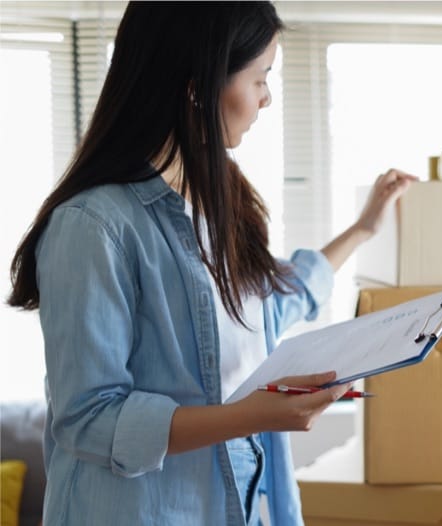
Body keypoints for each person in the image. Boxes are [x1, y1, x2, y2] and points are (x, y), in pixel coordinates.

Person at [6, 2, 416, 525]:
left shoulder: (218, 203)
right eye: (260, 77)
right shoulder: (93, 226)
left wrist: (362, 230)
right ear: (197, 86)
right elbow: (88, 418)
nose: (267, 98)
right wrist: (246, 417)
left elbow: (268, 310)